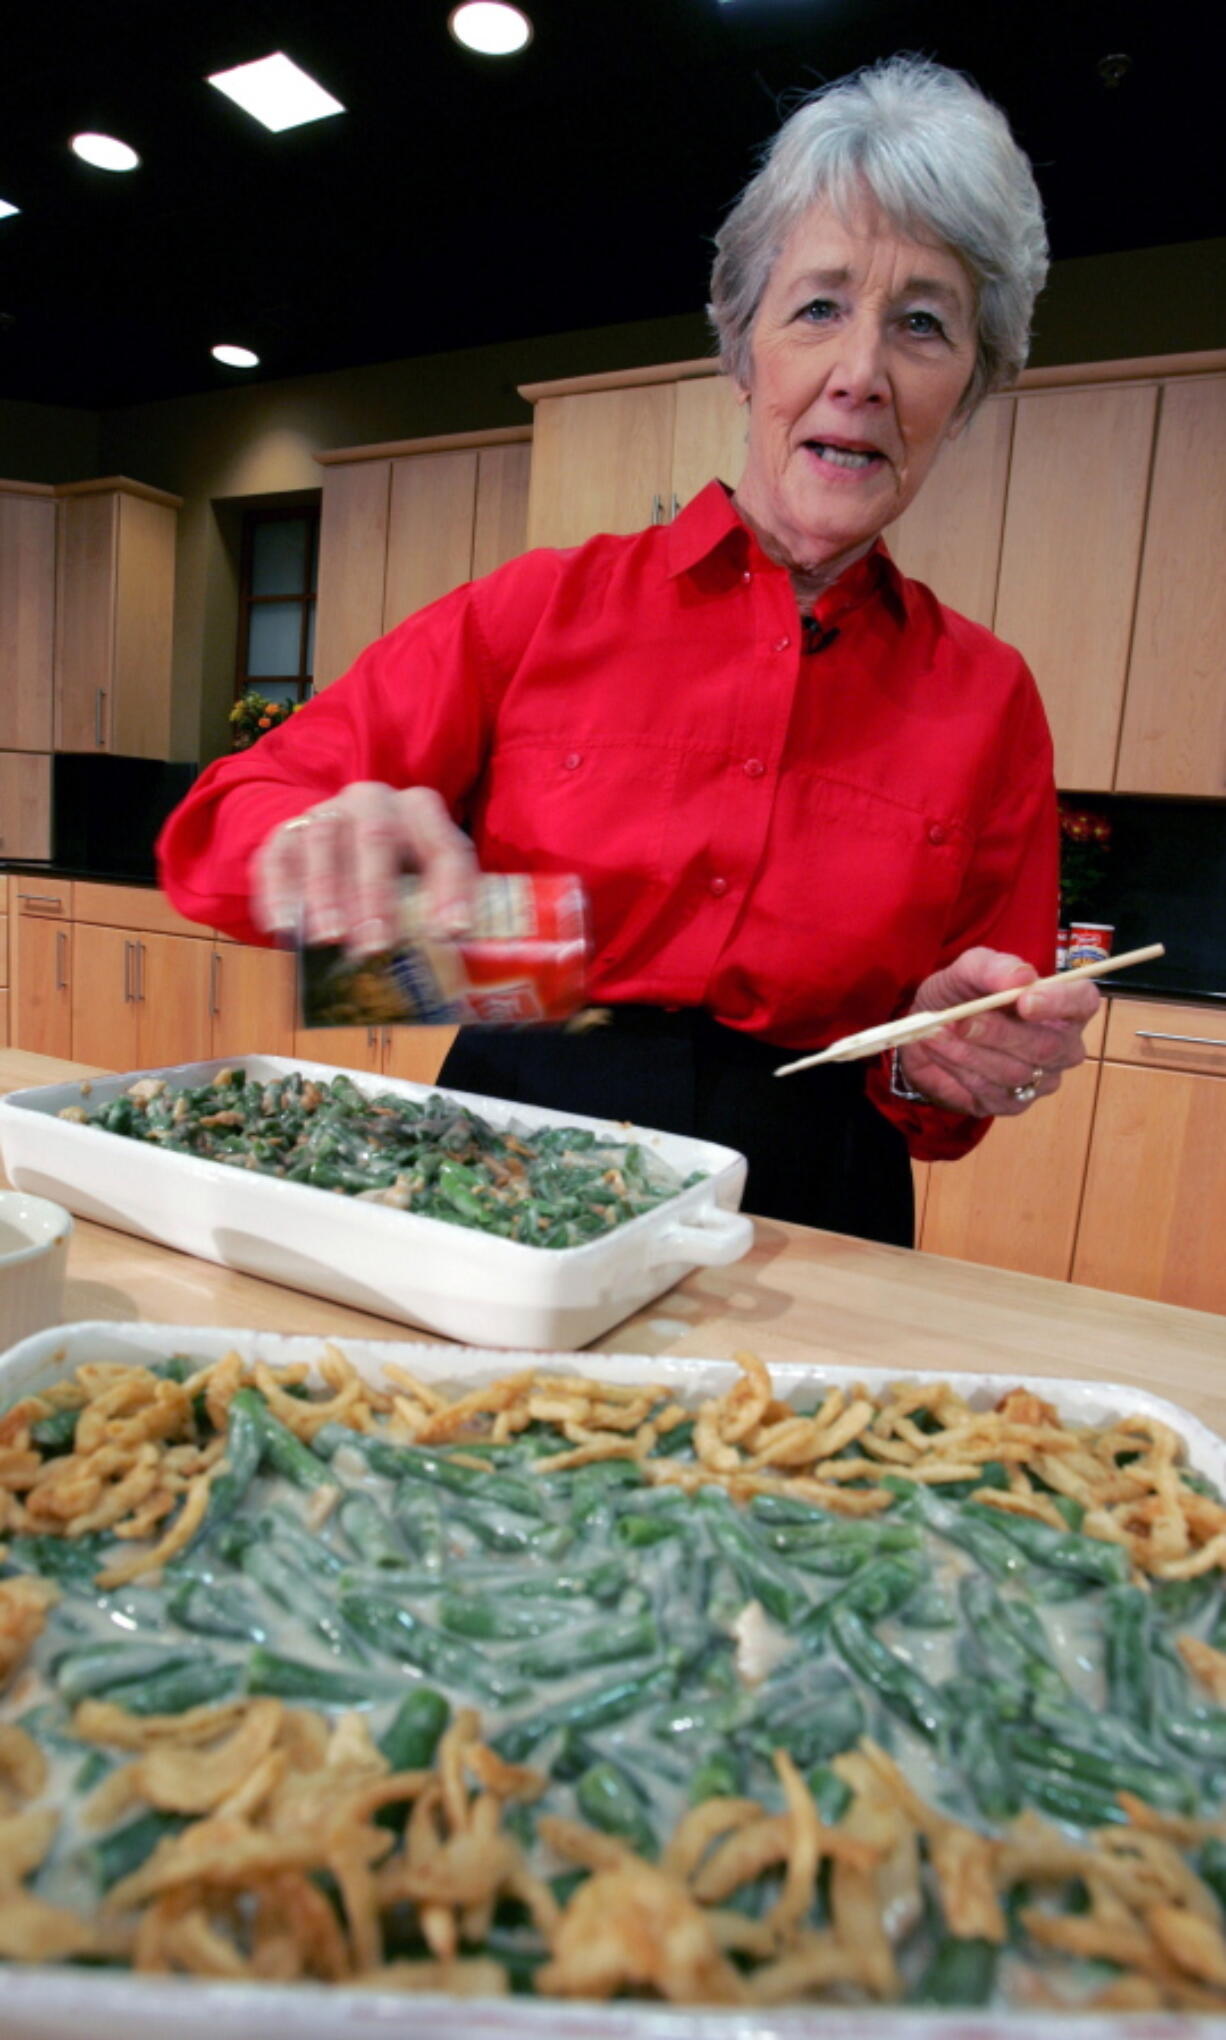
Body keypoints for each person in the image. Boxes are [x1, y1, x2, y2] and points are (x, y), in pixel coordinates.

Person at [158, 55, 1100, 1248]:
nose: (858, 374)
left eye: (922, 324)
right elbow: (220, 831)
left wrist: (948, 1061)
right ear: (743, 345)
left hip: (813, 1198)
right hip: (505, 1153)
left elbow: (940, 1099)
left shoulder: (988, 700)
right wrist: (324, 859)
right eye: (816, 308)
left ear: (966, 388)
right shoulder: (538, 609)